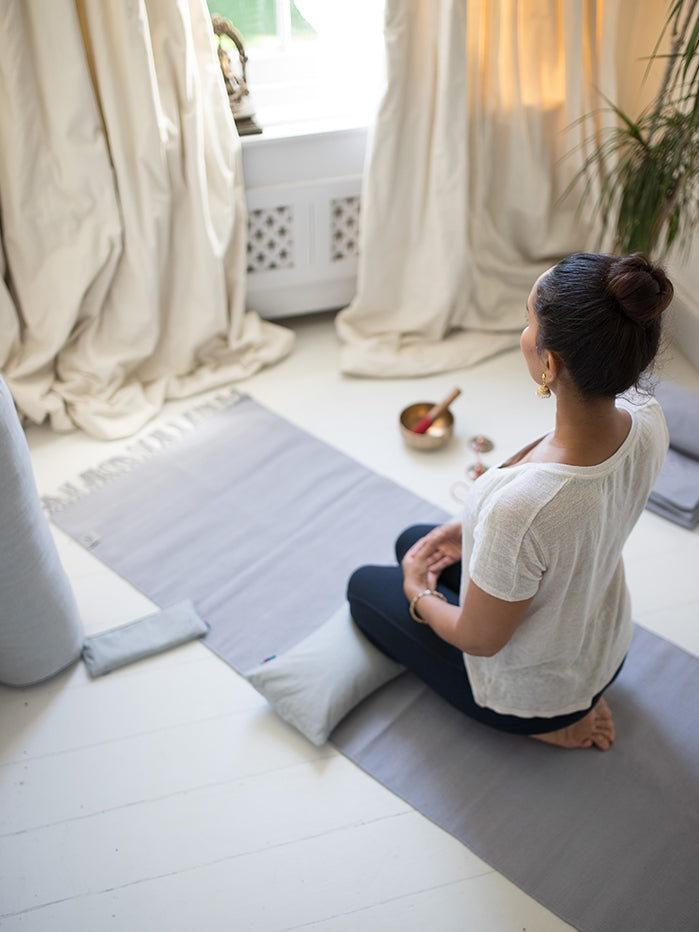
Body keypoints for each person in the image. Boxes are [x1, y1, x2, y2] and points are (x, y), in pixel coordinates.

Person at [347, 252, 673, 750]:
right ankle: (584, 691)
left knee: (366, 588)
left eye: (528, 321)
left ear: (549, 363)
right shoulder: (646, 417)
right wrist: (472, 529)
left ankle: (556, 724)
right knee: (412, 540)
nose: (523, 332)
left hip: (537, 692)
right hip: (603, 643)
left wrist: (418, 593)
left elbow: (481, 640)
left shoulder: (523, 509)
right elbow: (571, 524)